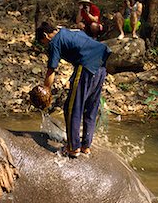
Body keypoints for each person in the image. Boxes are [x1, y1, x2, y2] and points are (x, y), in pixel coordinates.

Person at [36, 22, 111, 158]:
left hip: (86, 65)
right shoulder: (68, 31)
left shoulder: (55, 41)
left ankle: (73, 147)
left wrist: (46, 90)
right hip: (101, 66)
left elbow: (51, 70)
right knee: (91, 107)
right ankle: (86, 146)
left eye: (44, 42)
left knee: (71, 108)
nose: (46, 45)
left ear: (46, 36)